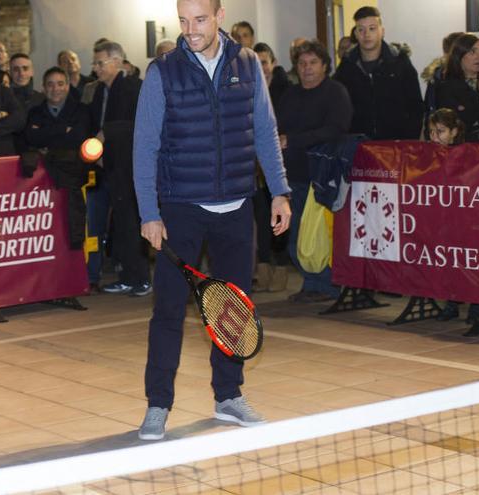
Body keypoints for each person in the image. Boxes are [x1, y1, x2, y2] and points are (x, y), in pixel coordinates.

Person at [133, 0, 291, 440]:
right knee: (167, 311)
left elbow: (264, 128)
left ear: (220, 16)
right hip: (179, 208)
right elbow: (144, 146)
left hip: (237, 207)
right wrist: (150, 213)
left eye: (199, 20)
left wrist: (279, 190)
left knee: (233, 311)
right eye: (183, 21)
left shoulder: (247, 63)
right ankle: (158, 404)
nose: (190, 30)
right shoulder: (162, 71)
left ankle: (228, 395)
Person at [276, 40, 351, 303]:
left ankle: (326, 285)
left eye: (313, 63)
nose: (307, 68)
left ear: (325, 66)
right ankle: (313, 284)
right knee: (296, 238)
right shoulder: (290, 94)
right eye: (302, 63)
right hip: (291, 175)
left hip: (322, 176)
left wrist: (293, 140)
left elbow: (336, 129)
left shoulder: (335, 92)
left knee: (315, 236)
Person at [90, 41, 151, 297]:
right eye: (94, 63)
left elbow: (139, 124)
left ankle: (141, 279)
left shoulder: (132, 87)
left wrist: (106, 133)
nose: (95, 69)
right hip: (110, 165)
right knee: (120, 225)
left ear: (117, 62)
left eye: (100, 63)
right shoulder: (99, 92)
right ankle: (127, 275)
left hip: (129, 166)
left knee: (130, 222)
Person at [425, 108, 479, 336]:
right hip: (445, 218)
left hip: (468, 220)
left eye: (440, 132)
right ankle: (452, 303)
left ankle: (476, 310)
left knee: (471, 263)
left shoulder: (470, 155)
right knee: (448, 258)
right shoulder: (427, 155)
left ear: (455, 131)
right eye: (431, 132)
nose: (434, 137)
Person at [25, 66, 92, 249]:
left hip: (72, 181)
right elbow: (31, 137)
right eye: (50, 84)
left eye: (60, 84)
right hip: (41, 190)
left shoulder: (82, 111)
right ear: (43, 87)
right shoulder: (34, 113)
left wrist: (46, 136)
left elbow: (79, 137)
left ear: (68, 86)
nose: (55, 89)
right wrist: (63, 130)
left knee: (71, 230)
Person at [333, 6, 424, 140]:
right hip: (357, 146)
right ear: (356, 34)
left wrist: (408, 140)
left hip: (396, 145)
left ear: (382, 31)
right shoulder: (347, 66)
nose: (366, 34)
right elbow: (339, 108)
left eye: (372, 28)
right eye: (361, 30)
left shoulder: (400, 62)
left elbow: (415, 106)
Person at [252, 42, 291, 292]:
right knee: (259, 216)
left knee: (278, 216)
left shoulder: (285, 92)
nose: (262, 67)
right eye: (257, 63)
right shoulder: (248, 89)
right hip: (252, 168)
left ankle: (280, 268)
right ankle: (262, 266)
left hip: (277, 165)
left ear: (273, 64)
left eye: (265, 62)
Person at [435, 34, 479, 141]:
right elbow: (458, 125)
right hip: (465, 149)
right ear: (459, 56)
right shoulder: (447, 87)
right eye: (472, 52)